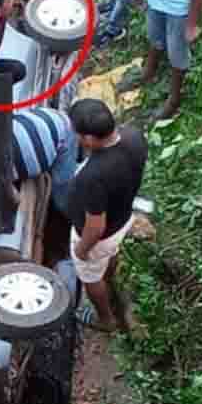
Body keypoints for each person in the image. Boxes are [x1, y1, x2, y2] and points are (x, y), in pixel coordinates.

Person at [66, 98, 148, 332]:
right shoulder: (134, 137)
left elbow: (95, 226)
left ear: (89, 139)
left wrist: (82, 249)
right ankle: (109, 274)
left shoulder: (94, 176)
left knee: (90, 278)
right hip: (123, 218)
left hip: (99, 237)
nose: (76, 138)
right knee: (107, 257)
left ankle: (105, 319)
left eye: (77, 134)